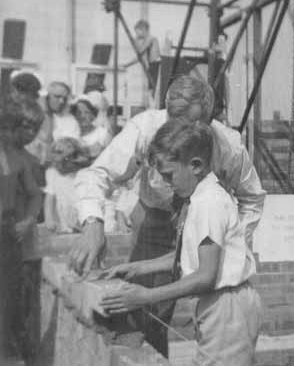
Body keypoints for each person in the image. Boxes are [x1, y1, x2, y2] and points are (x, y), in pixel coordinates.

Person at [70, 74, 265, 357]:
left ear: (210, 117)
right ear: (166, 109)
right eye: (176, 120)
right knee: (141, 321)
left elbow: (252, 198)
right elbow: (97, 173)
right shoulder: (145, 127)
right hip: (156, 220)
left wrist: (231, 245)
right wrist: (92, 223)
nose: (184, 131)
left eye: (194, 124)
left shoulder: (227, 151)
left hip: (213, 248)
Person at [101, 119, 262, 366]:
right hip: (221, 304)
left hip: (227, 306)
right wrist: (138, 268)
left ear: (195, 165)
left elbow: (205, 275)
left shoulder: (209, 203)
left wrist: (146, 296)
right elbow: (190, 255)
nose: (166, 182)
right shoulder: (200, 197)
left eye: (169, 175)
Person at [0, 98, 42, 361]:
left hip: (6, 234)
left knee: (8, 301)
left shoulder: (17, 157)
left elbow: (35, 194)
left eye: (9, 129)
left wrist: (27, 221)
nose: (6, 134)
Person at [26, 81, 80, 167]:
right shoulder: (32, 113)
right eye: (57, 97)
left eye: (64, 98)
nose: (61, 101)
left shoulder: (70, 120)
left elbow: (70, 147)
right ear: (47, 96)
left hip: (57, 168)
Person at [71, 93, 112, 159]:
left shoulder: (103, 134)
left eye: (87, 112)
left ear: (93, 114)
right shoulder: (71, 133)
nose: (82, 116)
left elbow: (110, 159)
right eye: (78, 112)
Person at [134, 19, 162, 97]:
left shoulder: (151, 39)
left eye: (137, 32)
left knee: (154, 89)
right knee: (151, 89)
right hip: (152, 66)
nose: (136, 34)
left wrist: (135, 41)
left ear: (143, 29)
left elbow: (140, 52)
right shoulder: (146, 41)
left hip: (156, 65)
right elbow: (139, 57)